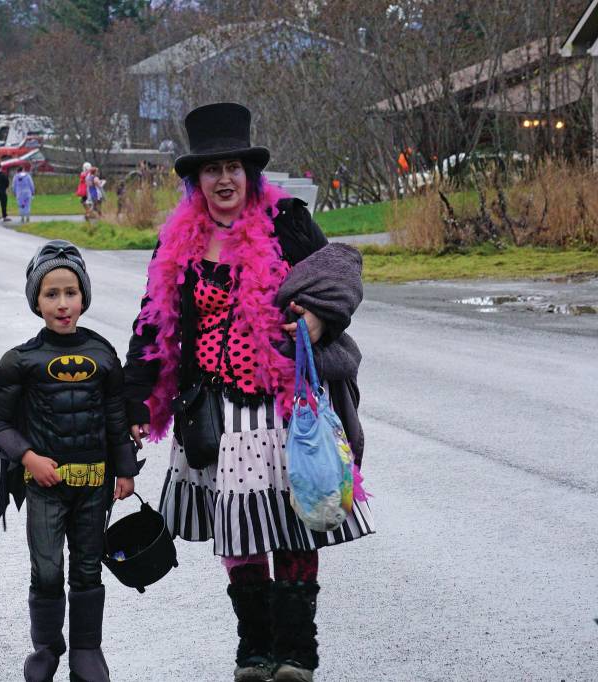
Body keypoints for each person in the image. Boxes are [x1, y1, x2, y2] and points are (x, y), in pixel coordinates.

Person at [123, 103, 373, 682]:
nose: (225, 179)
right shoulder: (177, 243)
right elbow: (152, 324)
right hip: (214, 412)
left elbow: (339, 277)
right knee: (237, 528)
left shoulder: (287, 222)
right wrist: (137, 401)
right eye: (212, 169)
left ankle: (297, 653)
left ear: (251, 172)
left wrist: (317, 321)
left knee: (295, 518)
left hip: (282, 402)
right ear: (196, 180)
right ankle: (254, 650)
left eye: (234, 166)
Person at [0, 240, 140, 682]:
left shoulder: (104, 355)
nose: (62, 303)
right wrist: (29, 457)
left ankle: (88, 650)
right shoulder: (20, 361)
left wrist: (125, 469)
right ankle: (47, 648)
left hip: (94, 487)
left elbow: (116, 417)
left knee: (88, 568)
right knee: (48, 569)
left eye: (71, 292)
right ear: (36, 300)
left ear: (84, 296)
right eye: (51, 294)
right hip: (46, 489)